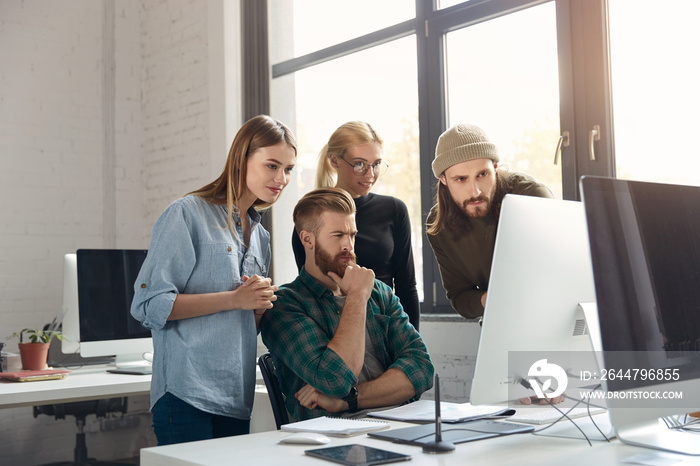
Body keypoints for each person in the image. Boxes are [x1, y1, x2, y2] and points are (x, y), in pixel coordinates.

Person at [131, 115, 297, 445]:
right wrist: (235, 299)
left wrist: (258, 307)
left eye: (289, 169)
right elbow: (149, 306)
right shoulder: (187, 214)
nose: (281, 178)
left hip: (235, 396)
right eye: (272, 166)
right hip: (185, 393)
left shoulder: (261, 235)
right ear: (242, 159)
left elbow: (241, 323)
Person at [262, 187, 434, 422]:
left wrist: (349, 399)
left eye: (352, 235)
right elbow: (335, 379)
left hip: (400, 420)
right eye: (337, 235)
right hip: (332, 436)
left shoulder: (377, 292)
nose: (349, 246)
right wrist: (356, 297)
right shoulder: (285, 305)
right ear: (307, 239)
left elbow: (422, 369)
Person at [291, 121, 421, 330]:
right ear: (334, 160)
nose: (370, 174)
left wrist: (412, 343)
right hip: (337, 331)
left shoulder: (394, 210)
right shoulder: (311, 221)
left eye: (376, 163)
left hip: (389, 330)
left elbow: (407, 288)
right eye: (360, 164)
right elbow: (313, 293)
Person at [426, 123, 553, 320]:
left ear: (494, 168)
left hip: (550, 313)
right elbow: (460, 297)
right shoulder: (438, 225)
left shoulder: (531, 196)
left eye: (482, 175)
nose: (475, 191)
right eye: (461, 179)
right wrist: (494, 298)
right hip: (499, 319)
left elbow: (556, 274)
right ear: (443, 180)